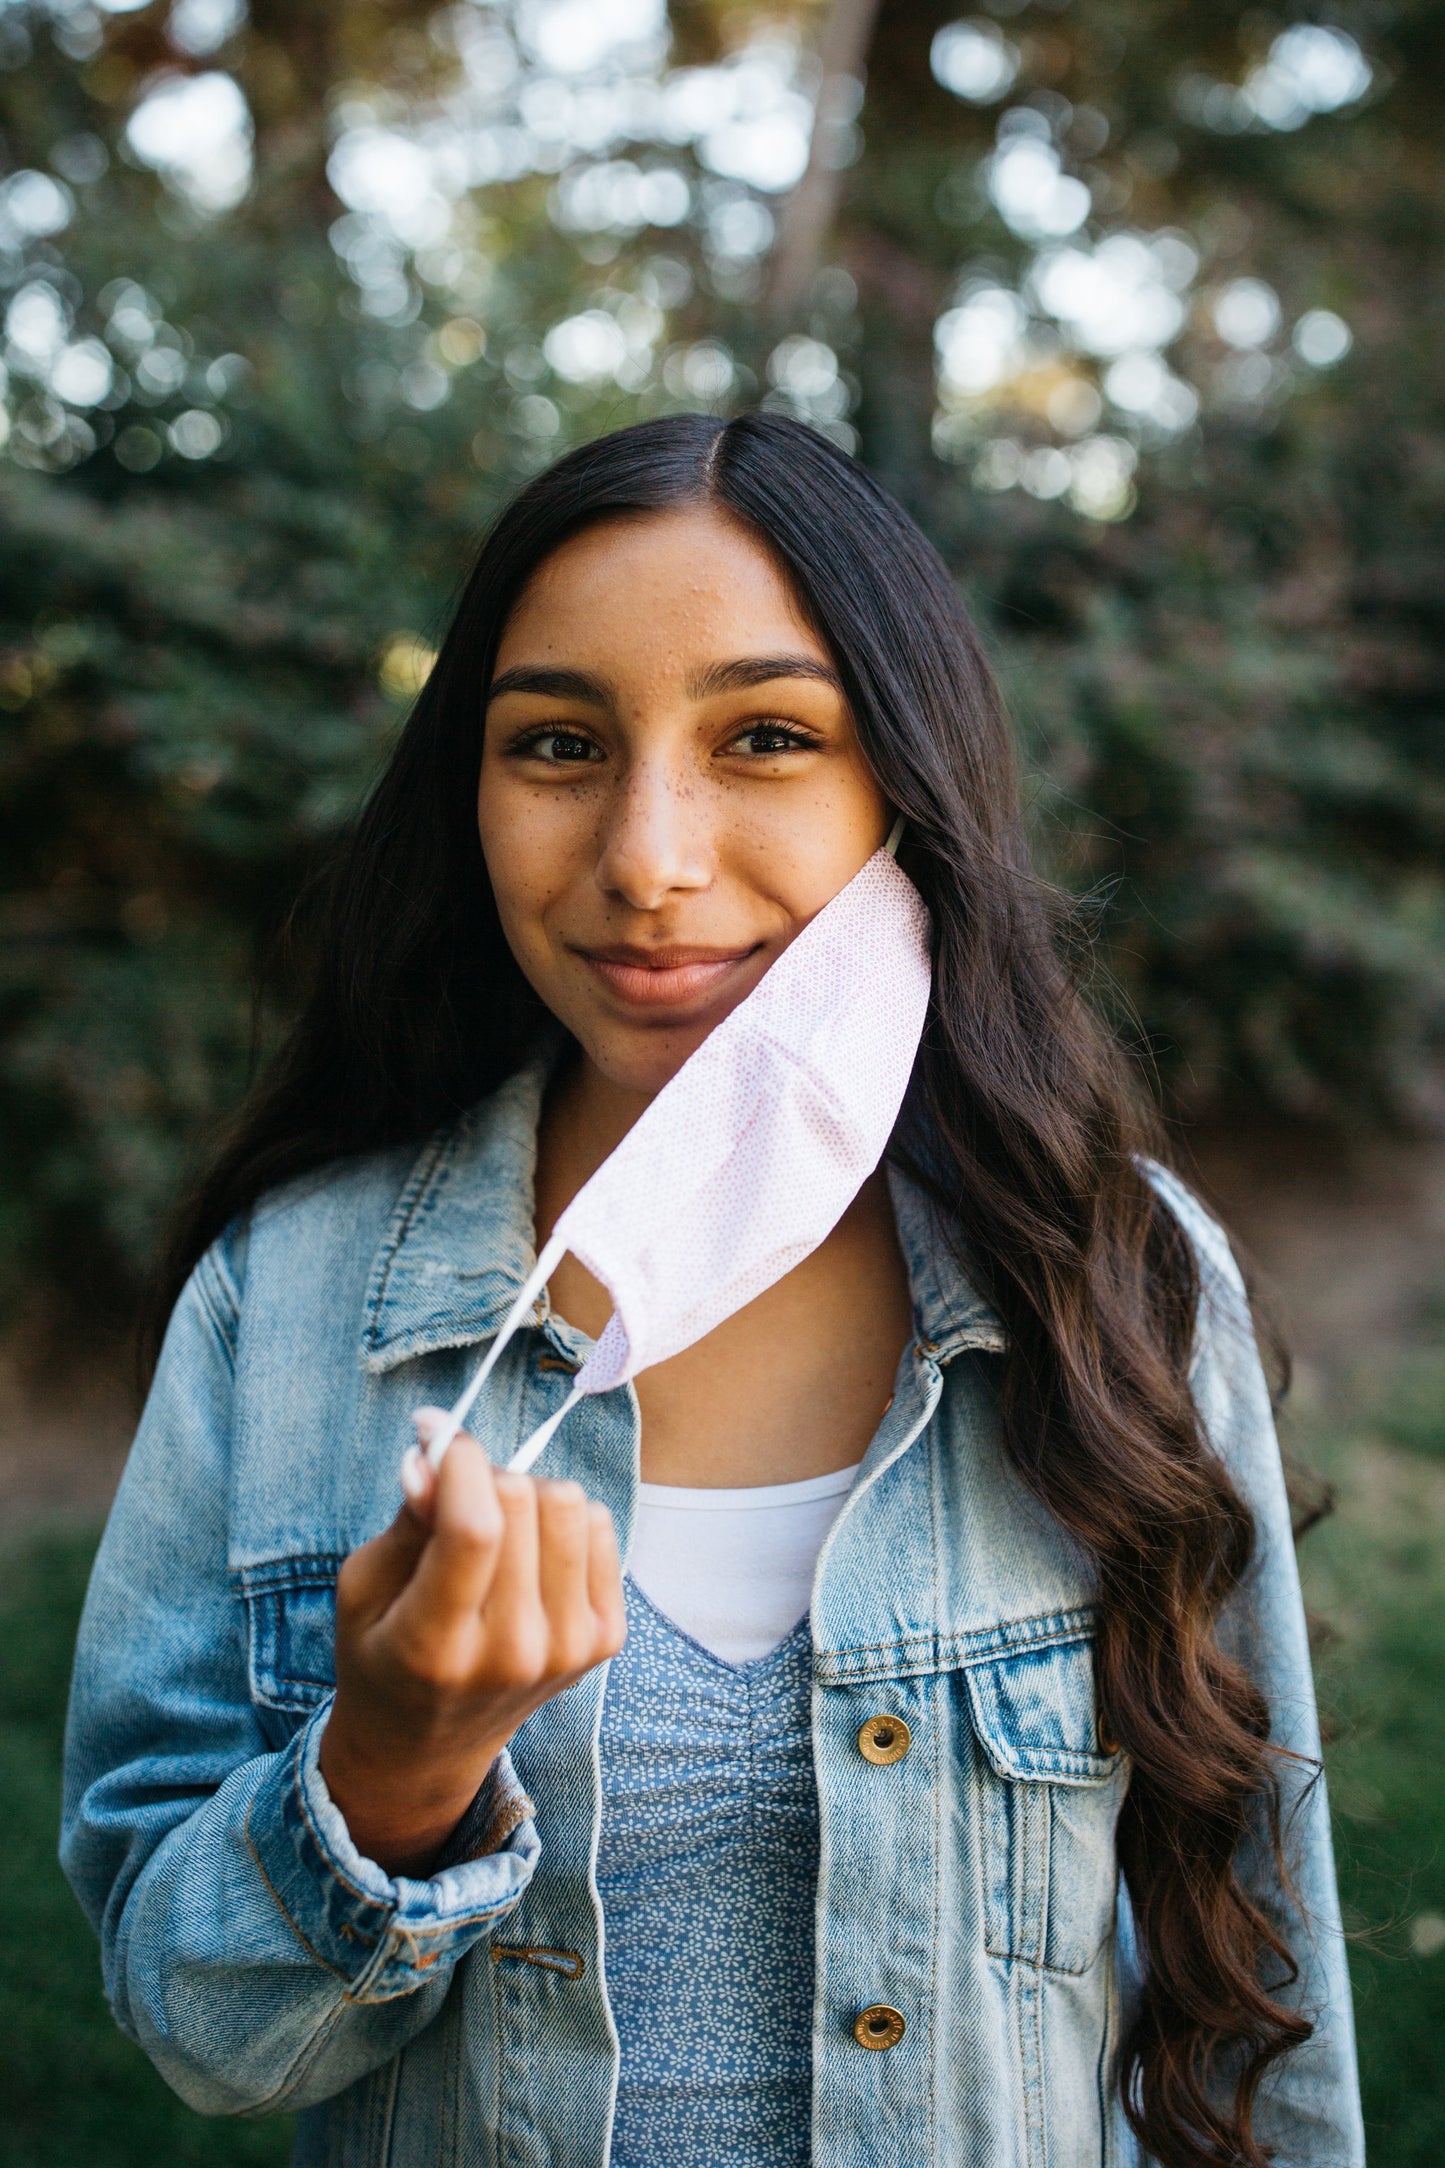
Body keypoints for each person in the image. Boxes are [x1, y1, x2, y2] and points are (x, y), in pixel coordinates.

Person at [61, 413, 1363, 2168]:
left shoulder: (1110, 1283)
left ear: (900, 782)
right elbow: (202, 2037)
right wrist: (387, 1771)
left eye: (763, 737)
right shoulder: (285, 1304)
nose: (644, 856)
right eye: (557, 745)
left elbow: (1257, 1977)